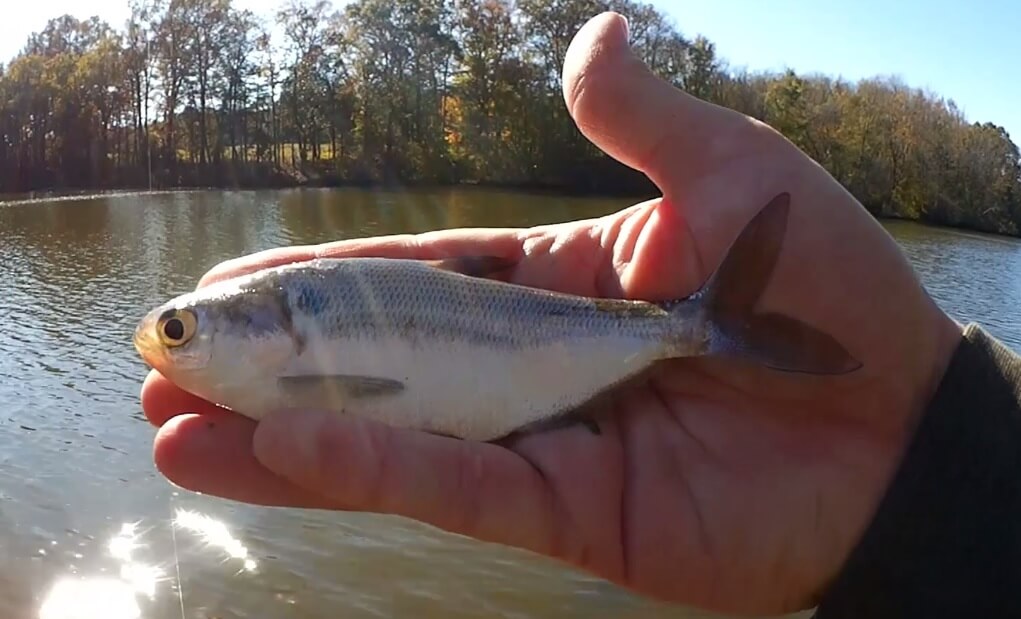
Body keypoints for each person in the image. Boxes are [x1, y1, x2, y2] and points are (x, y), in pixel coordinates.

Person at [138, 12, 1021, 618]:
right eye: (174, 329)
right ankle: (704, 326)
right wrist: (943, 456)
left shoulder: (294, 333)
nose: (167, 344)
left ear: (267, 321)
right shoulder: (280, 358)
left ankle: (704, 324)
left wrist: (925, 419)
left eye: (180, 328)